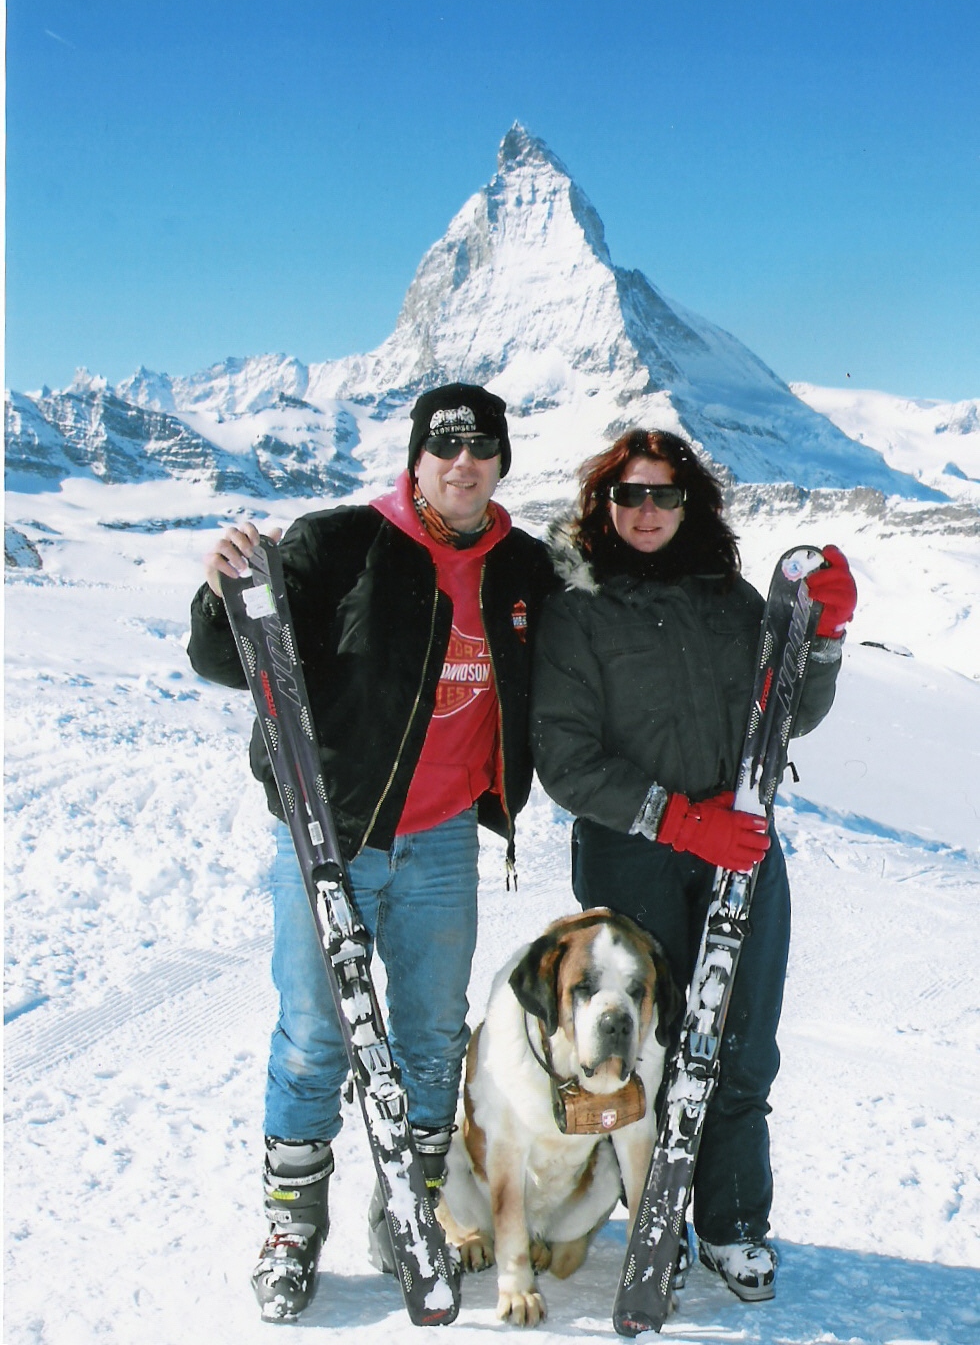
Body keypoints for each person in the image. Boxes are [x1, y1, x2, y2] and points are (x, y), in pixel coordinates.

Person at [187, 383, 556, 1320]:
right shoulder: (341, 542)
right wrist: (222, 587)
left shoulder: (525, 568)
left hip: (440, 844)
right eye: (446, 448)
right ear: (417, 457)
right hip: (330, 836)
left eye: (481, 449)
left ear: (502, 461)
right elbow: (231, 657)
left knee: (432, 1037)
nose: (463, 464)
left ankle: (409, 1206)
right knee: (316, 1035)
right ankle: (289, 1224)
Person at [530, 428, 857, 1304]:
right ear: (604, 505)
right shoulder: (577, 609)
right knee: (641, 1051)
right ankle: (651, 1219)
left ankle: (732, 1223)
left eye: (664, 495)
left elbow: (785, 716)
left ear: (691, 505)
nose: (646, 511)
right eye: (629, 495)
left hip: (742, 842)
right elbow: (564, 756)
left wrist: (820, 638)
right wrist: (676, 818)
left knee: (742, 1045)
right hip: (633, 854)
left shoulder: (727, 597)